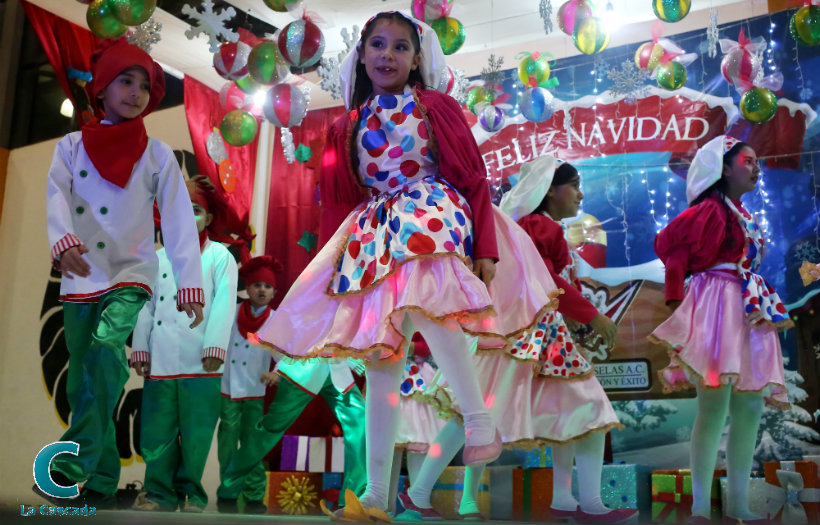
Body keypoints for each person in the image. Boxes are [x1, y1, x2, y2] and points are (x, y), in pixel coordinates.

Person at [254, 11, 559, 521]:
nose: (387, 55)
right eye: (377, 44)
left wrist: (486, 246)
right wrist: (333, 273)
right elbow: (336, 201)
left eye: (400, 46)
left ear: (418, 58)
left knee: (423, 283)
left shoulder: (435, 106)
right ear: (363, 54)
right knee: (381, 360)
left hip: (431, 213)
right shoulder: (346, 125)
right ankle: (375, 494)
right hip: (375, 231)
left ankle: (478, 417)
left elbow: (474, 177)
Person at [38, 38, 204, 509]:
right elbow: (55, 199)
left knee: (107, 351)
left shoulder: (157, 155)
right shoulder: (71, 146)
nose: (135, 92)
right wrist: (62, 241)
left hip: (132, 272)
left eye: (144, 85)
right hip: (81, 274)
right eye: (125, 82)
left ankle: (72, 464)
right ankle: (102, 478)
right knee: (83, 379)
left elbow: (176, 221)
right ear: (103, 89)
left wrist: (189, 284)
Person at [649, 135, 793, 524]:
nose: (756, 167)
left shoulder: (740, 212)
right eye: (748, 161)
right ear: (723, 168)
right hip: (718, 304)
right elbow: (671, 249)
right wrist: (678, 304)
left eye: (757, 162)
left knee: (748, 406)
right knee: (713, 407)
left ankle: (738, 506)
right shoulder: (709, 211)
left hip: (746, 307)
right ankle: (699, 508)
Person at [503, 155, 632, 523]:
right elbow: (548, 282)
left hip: (542, 337)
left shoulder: (535, 226)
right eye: (574, 185)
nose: (580, 193)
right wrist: (592, 315)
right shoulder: (539, 227)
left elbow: (552, 283)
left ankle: (564, 498)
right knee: (591, 411)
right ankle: (589, 502)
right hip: (541, 338)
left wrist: (577, 322)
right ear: (550, 190)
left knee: (568, 414)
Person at [129, 175, 238, 512]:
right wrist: (141, 348)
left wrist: (214, 348)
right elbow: (144, 306)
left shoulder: (220, 257)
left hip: (200, 361)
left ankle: (192, 493)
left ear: (208, 218)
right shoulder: (156, 259)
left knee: (196, 434)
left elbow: (223, 303)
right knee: (157, 432)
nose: (188, 216)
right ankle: (158, 493)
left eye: (196, 210)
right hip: (160, 360)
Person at [217, 353, 368, 510]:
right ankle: (230, 485)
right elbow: (292, 333)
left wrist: (363, 362)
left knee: (360, 420)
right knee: (269, 431)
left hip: (336, 370)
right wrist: (278, 369)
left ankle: (354, 497)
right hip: (303, 370)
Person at [215, 255, 282, 515]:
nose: (262, 290)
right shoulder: (230, 312)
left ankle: (254, 494)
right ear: (248, 288)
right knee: (228, 441)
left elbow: (283, 357)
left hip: (255, 391)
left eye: (267, 286)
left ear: (274, 292)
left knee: (253, 443)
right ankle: (228, 490)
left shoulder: (276, 320)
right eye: (257, 285)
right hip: (228, 388)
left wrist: (276, 373)